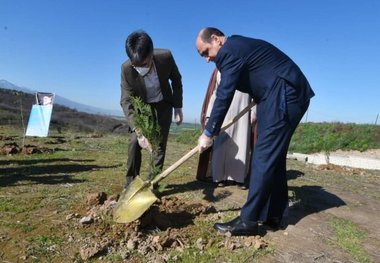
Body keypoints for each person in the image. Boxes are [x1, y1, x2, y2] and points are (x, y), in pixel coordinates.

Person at [195, 27, 315, 236]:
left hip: (284, 95)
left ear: (215, 39)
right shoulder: (237, 46)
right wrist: (260, 105)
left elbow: (224, 95)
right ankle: (273, 215)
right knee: (273, 159)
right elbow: (262, 74)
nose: (206, 59)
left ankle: (248, 220)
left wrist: (208, 133)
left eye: (205, 52)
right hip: (281, 93)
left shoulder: (229, 51)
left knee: (262, 156)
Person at [120, 30, 183, 187]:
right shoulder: (126, 69)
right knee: (135, 142)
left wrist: (178, 106)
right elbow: (126, 100)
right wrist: (140, 133)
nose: (140, 69)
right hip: (143, 108)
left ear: (151, 54)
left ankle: (152, 184)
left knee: (159, 145)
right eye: (136, 66)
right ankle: (131, 184)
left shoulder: (165, 57)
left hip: (163, 105)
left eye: (145, 64)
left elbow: (176, 79)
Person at [205, 69, 254, 188]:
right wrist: (209, 115)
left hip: (243, 108)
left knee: (241, 141)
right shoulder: (220, 70)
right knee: (220, 143)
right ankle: (218, 177)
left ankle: (238, 178)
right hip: (223, 110)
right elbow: (214, 92)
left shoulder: (250, 69)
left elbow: (255, 91)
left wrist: (254, 111)